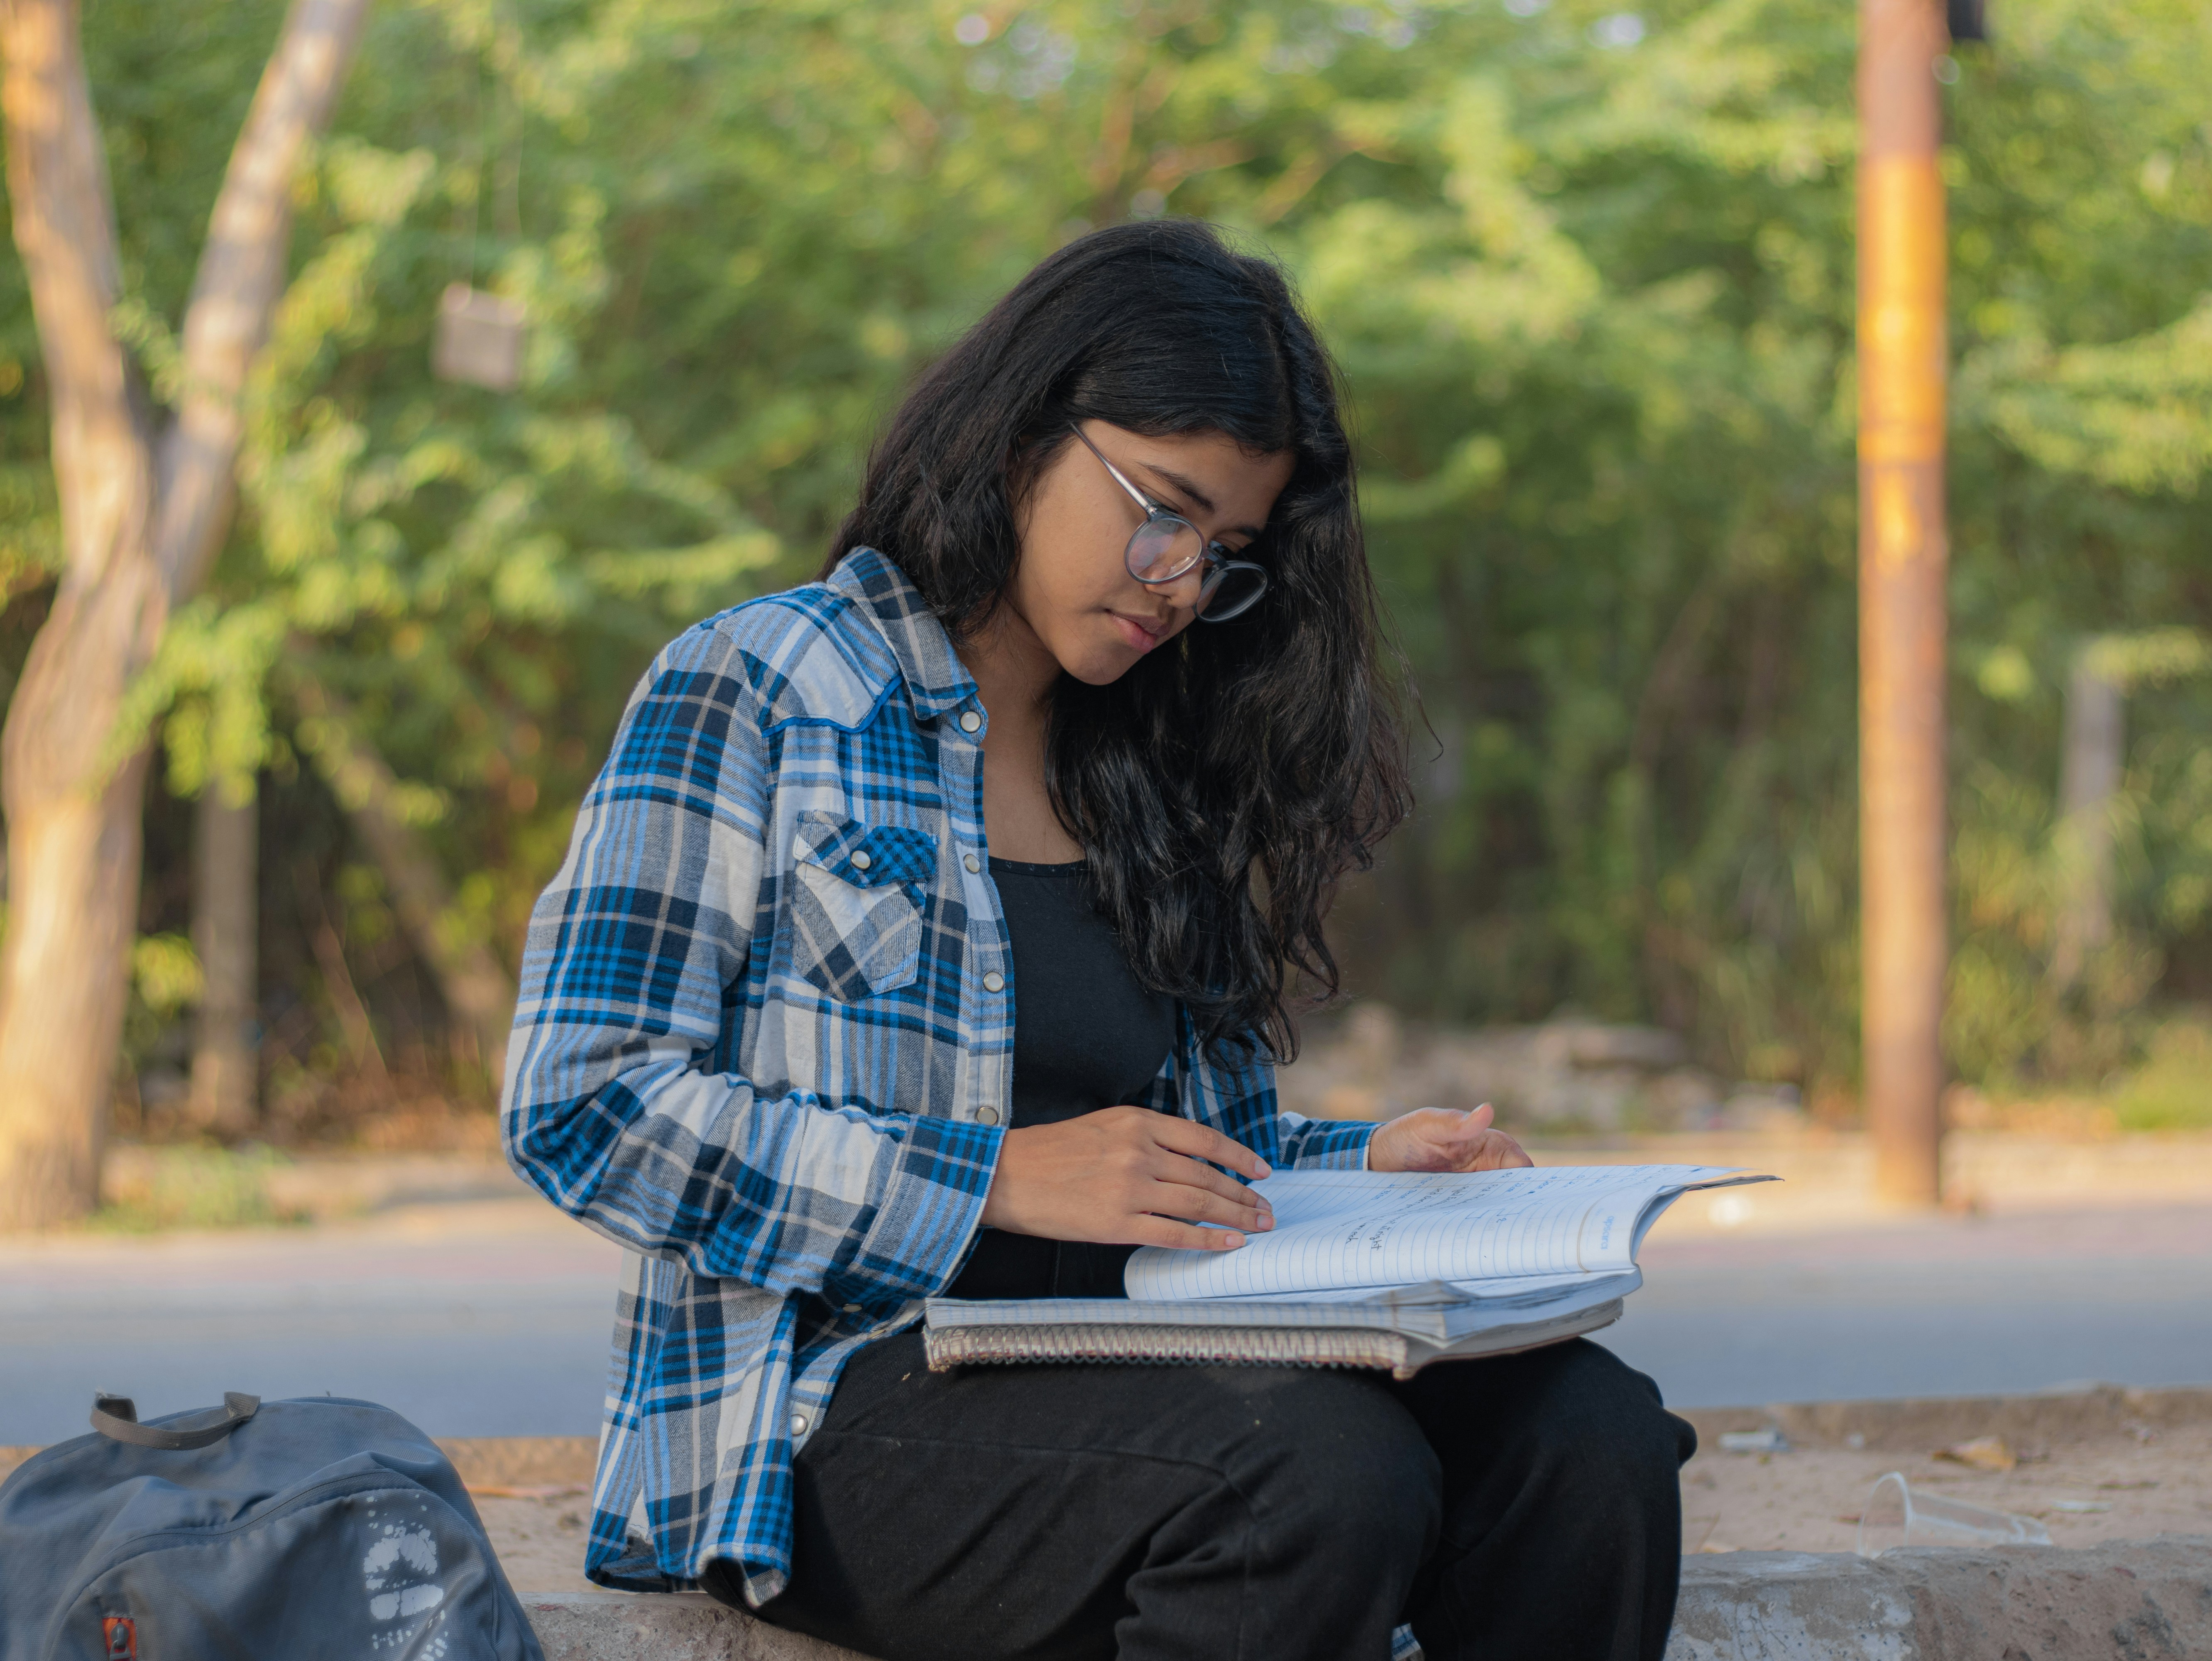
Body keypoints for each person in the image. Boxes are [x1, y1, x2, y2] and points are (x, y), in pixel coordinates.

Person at [503, 219, 1694, 1661]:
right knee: (1314, 1474)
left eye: (1226, 551)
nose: (1181, 579)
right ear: (1023, 431)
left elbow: (1155, 1160)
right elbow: (582, 1098)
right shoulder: (759, 684)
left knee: (1593, 1438)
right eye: (1163, 507)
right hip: (832, 1403)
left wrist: (1363, 1166)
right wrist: (991, 1178)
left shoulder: (1150, 767)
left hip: (1164, 1356)